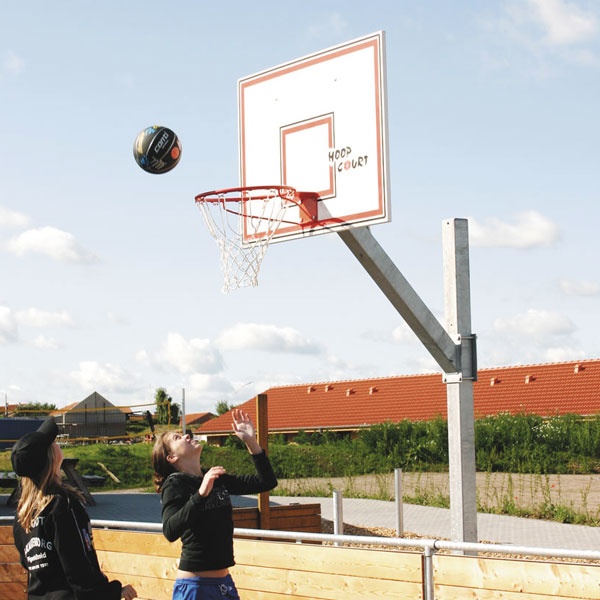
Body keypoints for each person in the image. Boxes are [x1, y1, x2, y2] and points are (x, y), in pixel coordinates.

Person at [152, 408, 277, 600]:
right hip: (195, 587)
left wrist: (251, 441)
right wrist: (201, 494)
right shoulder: (175, 483)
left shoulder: (215, 477)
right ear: (172, 458)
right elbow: (170, 530)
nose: (186, 436)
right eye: (177, 438)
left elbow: (267, 482)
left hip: (223, 584)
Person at [11, 418, 138, 600]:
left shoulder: (23, 512)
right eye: (52, 442)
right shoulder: (63, 505)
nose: (57, 443)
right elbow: (78, 568)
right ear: (50, 458)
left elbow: (29, 564)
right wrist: (112, 592)